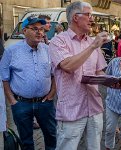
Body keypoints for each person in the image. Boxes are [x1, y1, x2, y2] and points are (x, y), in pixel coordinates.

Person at [48, 1, 109, 150]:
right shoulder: (58, 41)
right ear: (76, 17)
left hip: (94, 108)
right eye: (89, 15)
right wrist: (93, 46)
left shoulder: (91, 41)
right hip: (71, 110)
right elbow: (68, 66)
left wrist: (112, 82)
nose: (92, 19)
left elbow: (99, 71)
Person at [0, 16, 57, 150]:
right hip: (21, 104)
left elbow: (55, 74)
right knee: (26, 141)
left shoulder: (48, 50)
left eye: (42, 29)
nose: (39, 32)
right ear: (24, 31)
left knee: (51, 135)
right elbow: (4, 77)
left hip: (45, 104)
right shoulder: (11, 51)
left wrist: (52, 93)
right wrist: (12, 101)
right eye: (35, 29)